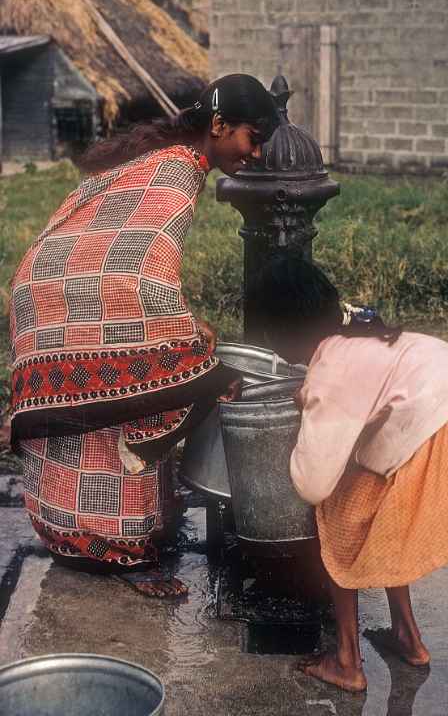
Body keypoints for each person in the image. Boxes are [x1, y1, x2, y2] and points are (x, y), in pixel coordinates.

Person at [9, 73, 279, 597]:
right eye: (253, 137)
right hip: (74, 292)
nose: (258, 153)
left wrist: (183, 320)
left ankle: (75, 530)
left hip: (50, 285)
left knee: (110, 405)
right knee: (184, 376)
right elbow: (135, 272)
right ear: (219, 125)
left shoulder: (167, 158)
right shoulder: (176, 172)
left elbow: (129, 252)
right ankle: (121, 553)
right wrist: (187, 336)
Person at [252, 255, 448, 693]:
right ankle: (407, 636)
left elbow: (312, 483)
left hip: (446, 427)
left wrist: (298, 431)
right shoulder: (356, 334)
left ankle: (347, 661)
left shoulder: (330, 370)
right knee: (378, 504)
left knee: (339, 515)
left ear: (280, 333)